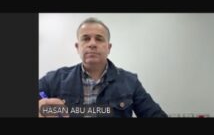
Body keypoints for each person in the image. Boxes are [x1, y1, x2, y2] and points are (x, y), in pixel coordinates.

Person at [37, 17, 167, 118]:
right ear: (77, 47)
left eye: (99, 39)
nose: (92, 44)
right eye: (86, 39)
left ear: (108, 48)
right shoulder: (53, 80)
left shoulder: (131, 82)